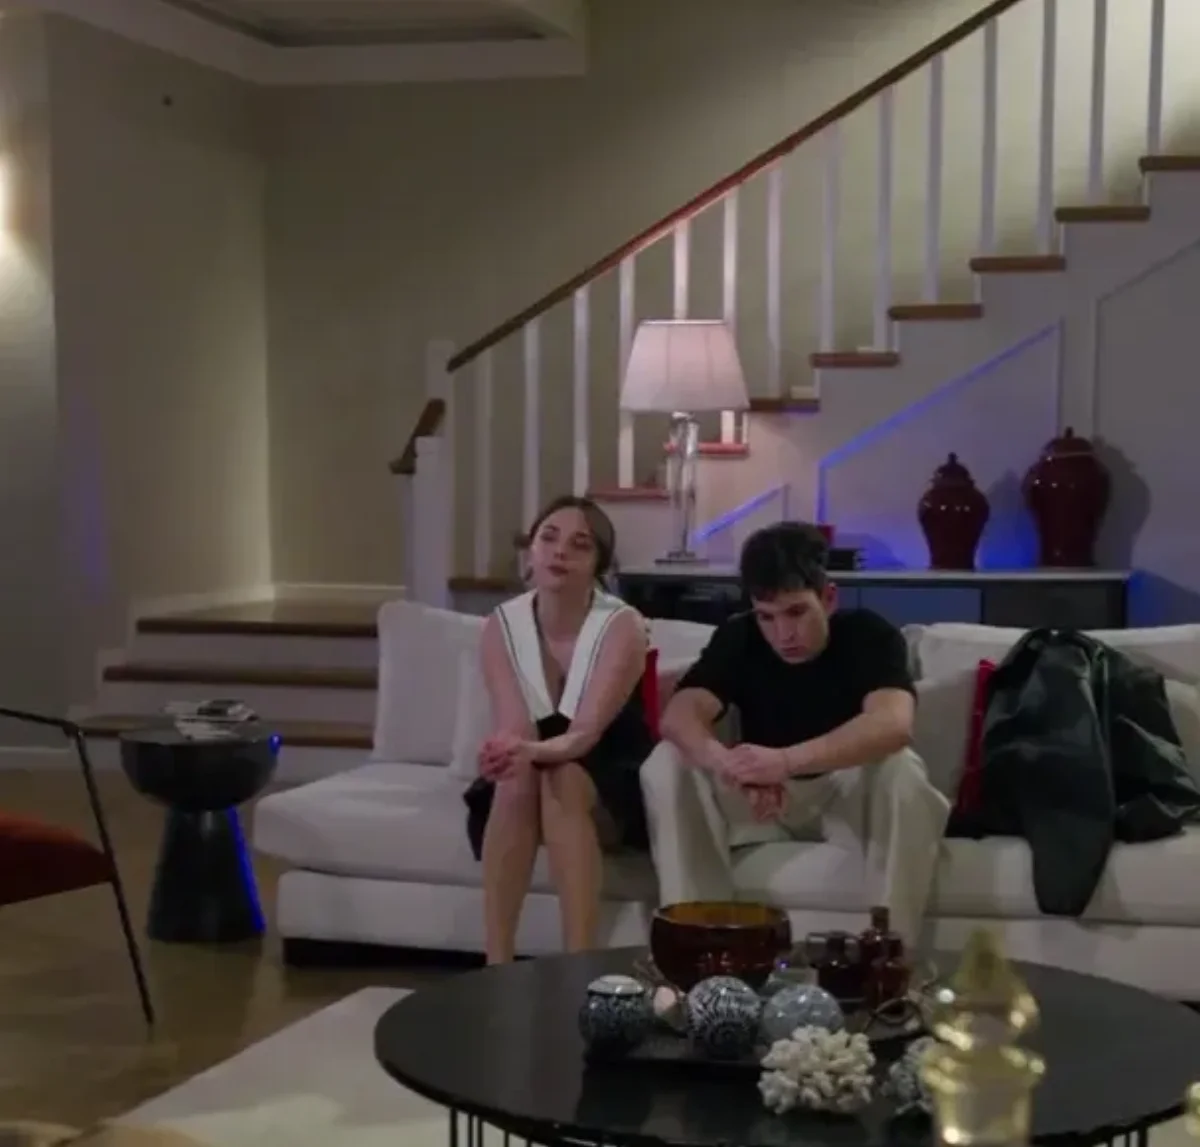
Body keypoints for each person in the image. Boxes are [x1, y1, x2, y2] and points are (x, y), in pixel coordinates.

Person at [644, 521, 949, 945]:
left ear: (828, 598)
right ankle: (699, 951)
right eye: (766, 617)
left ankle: (891, 960)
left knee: (903, 770)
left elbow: (893, 723)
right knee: (666, 761)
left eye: (796, 612)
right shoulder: (740, 635)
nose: (783, 634)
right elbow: (679, 715)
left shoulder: (869, 634)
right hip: (762, 799)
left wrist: (785, 762)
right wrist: (731, 766)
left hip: (843, 791)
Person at [465, 495, 655, 964]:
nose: (560, 552)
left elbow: (585, 735)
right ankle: (496, 963)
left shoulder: (621, 625)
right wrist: (504, 753)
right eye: (548, 538)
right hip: (536, 763)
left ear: (598, 565)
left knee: (562, 778)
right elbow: (516, 726)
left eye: (579, 544)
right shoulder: (501, 625)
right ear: (531, 551)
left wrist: (528, 753)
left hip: (609, 764)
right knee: (517, 780)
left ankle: (577, 964)